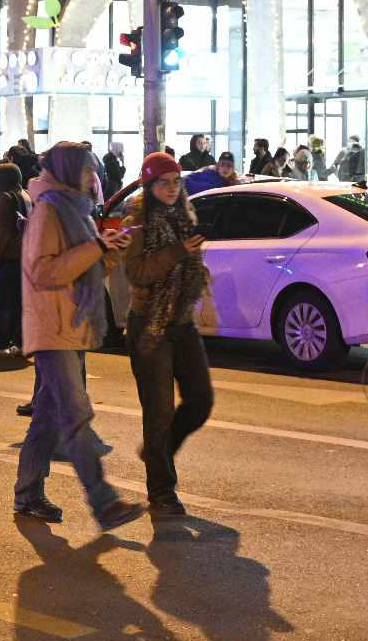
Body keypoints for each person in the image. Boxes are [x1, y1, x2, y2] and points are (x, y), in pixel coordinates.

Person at [12, 143, 146, 531]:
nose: (94, 178)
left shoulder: (76, 209)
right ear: (70, 171)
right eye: (88, 171)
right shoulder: (49, 211)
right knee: (74, 414)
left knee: (50, 417)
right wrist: (96, 247)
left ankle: (27, 493)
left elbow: (87, 268)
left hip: (73, 325)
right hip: (52, 327)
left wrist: (111, 251)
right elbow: (44, 272)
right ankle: (104, 504)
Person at [119, 152, 214, 517]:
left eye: (176, 182)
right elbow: (137, 274)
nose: (172, 189)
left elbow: (192, 266)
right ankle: (161, 490)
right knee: (157, 413)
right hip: (150, 326)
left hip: (182, 322)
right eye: (164, 182)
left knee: (201, 400)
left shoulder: (185, 216)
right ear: (150, 185)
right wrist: (178, 252)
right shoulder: (138, 223)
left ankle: (158, 452)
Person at [0, 162, 30, 357]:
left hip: (8, 257)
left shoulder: (5, 198)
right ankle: (20, 343)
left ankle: (0, 345)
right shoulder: (26, 195)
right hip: (24, 257)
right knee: (20, 304)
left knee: (2, 305)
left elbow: (0, 234)